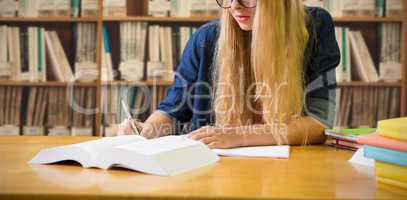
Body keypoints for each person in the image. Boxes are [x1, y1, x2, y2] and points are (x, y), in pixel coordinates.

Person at [118, 0, 340, 149]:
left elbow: (319, 124)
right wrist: (149, 129)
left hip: (290, 172)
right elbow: (173, 110)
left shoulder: (314, 26)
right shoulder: (205, 38)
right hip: (216, 171)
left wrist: (239, 135)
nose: (234, 6)